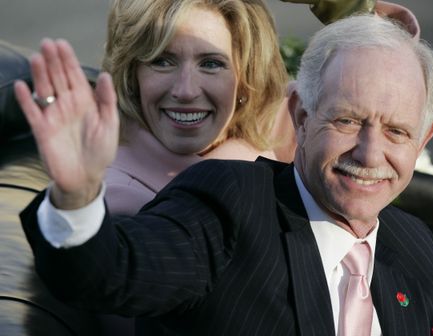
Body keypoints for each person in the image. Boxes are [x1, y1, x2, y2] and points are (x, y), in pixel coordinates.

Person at [15, 14, 433, 336]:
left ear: (424, 138)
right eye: (347, 121)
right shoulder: (230, 204)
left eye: (396, 131)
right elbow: (110, 272)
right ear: (300, 114)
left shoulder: (408, 242)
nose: (370, 153)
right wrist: (76, 195)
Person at [100, 0, 292, 215]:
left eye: (210, 64)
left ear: (247, 77)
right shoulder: (115, 204)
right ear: (131, 76)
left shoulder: (299, 122)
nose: (186, 91)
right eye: (162, 62)